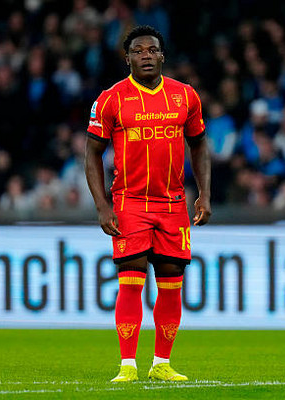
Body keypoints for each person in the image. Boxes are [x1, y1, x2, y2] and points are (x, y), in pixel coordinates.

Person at [84, 25, 211, 382]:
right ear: (127, 59)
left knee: (171, 281)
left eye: (152, 50)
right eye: (138, 51)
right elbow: (91, 154)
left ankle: (161, 363)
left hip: (173, 204)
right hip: (130, 203)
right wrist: (102, 205)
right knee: (131, 280)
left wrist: (204, 193)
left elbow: (199, 144)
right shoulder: (110, 99)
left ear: (162, 55)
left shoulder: (185, 96)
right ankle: (127, 365)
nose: (146, 56)